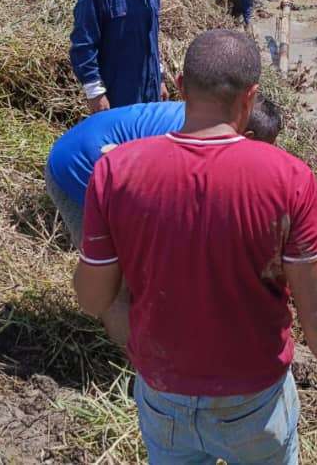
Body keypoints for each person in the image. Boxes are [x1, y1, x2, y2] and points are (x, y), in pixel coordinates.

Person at [75, 30, 317, 463]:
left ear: (178, 86)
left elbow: (92, 296)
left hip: (162, 392)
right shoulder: (289, 178)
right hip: (255, 400)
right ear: (251, 97)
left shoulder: (116, 171)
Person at [47, 95, 283, 347]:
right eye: (260, 150)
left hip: (112, 156)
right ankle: (142, 371)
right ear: (245, 135)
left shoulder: (216, 119)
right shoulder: (190, 145)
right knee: (116, 282)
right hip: (79, 168)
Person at [69, 0, 180, 114]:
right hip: (118, 93)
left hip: (148, 90)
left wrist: (159, 78)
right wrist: (95, 92)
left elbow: (151, 38)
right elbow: (83, 42)